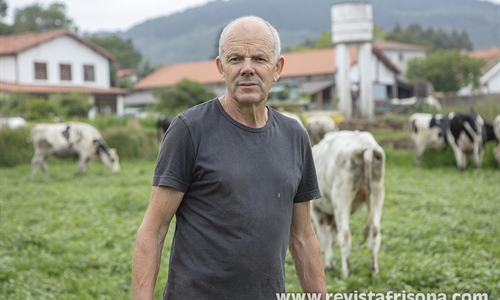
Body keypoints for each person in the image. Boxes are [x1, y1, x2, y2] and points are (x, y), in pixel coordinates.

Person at [132, 15, 327, 300]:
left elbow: (302, 237)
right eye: (236, 59)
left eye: (259, 59)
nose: (247, 69)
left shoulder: (294, 135)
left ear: (278, 68)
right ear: (221, 68)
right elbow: (154, 229)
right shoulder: (190, 129)